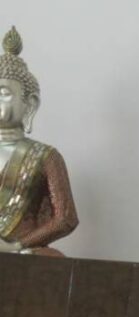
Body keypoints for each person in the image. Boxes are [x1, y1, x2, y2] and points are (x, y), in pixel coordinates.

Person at [0, 26, 78, 256]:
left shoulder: (45, 157)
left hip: (21, 252)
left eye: (3, 93)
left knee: (43, 260)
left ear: (30, 104)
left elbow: (65, 218)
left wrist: (16, 246)